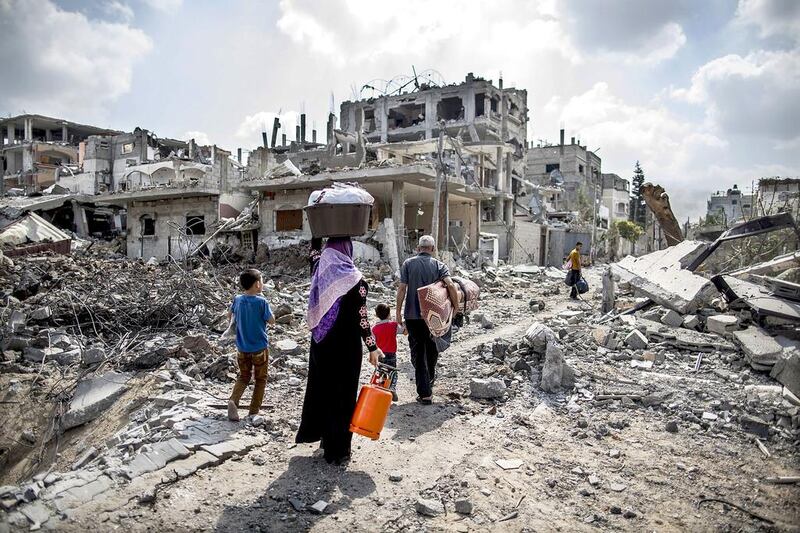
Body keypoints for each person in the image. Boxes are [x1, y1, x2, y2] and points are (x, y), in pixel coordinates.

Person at [296, 237, 382, 465]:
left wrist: (318, 232)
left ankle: (325, 439)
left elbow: (314, 254)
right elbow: (362, 317)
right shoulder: (356, 281)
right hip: (346, 347)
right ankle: (338, 450)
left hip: (321, 345)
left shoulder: (319, 271)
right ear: (348, 251)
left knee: (323, 390)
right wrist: (372, 346)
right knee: (343, 396)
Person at [396, 235, 459, 405]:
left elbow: (402, 288)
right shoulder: (439, 265)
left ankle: (425, 393)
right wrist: (456, 308)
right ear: (432, 249)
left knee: (418, 351)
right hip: (434, 318)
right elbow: (451, 285)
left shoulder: (408, 264)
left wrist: (398, 314)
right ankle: (428, 383)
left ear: (418, 248)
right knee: (432, 349)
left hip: (412, 316)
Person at [227, 269, 276, 422]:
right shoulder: (261, 302)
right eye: (261, 281)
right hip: (260, 348)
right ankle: (253, 411)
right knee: (260, 379)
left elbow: (230, 316)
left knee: (243, 376)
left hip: (242, 348)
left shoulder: (238, 299)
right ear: (257, 285)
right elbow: (271, 320)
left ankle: (233, 401)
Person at [372, 303, 405, 402]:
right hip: (391, 353)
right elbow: (403, 331)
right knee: (392, 371)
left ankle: (379, 388)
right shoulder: (393, 325)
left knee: (380, 371)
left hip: (380, 354)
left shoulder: (374, 328)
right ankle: (392, 387)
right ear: (389, 314)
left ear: (377, 315)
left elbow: (372, 344)